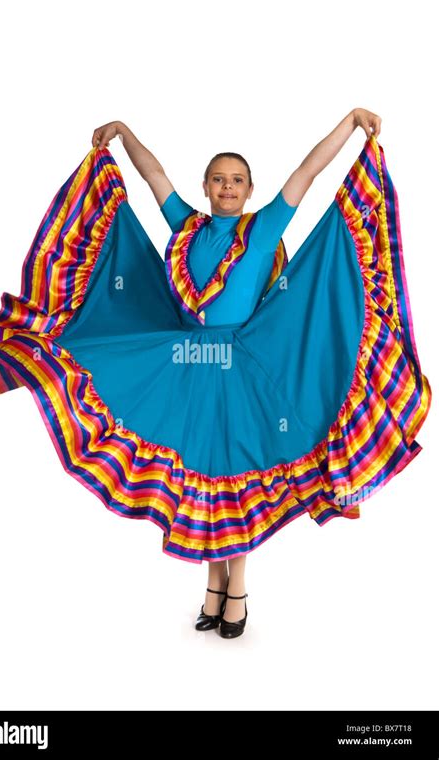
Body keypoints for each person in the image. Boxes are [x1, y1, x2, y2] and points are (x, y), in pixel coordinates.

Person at [90, 110, 381, 637]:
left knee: (238, 471)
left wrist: (351, 123)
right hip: (191, 366)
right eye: (219, 179)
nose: (228, 187)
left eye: (237, 180)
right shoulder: (187, 227)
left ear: (250, 190)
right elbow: (154, 176)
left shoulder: (265, 226)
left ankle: (236, 590)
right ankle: (212, 584)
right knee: (203, 470)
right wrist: (124, 134)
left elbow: (308, 172)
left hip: (244, 365)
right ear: (205, 188)